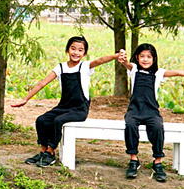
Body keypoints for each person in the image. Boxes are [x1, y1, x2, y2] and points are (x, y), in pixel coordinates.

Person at [10, 36, 126, 167]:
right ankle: (43, 152)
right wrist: (25, 99)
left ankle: (51, 152)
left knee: (58, 121)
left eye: (80, 50)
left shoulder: (85, 66)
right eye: (73, 48)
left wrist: (116, 56)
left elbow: (101, 60)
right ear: (67, 50)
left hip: (79, 109)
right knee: (41, 120)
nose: (76, 52)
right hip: (63, 106)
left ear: (84, 53)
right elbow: (42, 83)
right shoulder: (60, 67)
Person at [122, 42, 184, 182]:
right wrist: (123, 60)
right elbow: (126, 64)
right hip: (134, 110)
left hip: (152, 111)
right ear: (137, 58)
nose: (145, 59)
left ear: (154, 59)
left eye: (149, 57)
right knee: (130, 124)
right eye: (142, 56)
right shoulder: (134, 69)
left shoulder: (158, 73)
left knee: (158, 127)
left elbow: (178, 72)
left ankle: (157, 161)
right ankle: (133, 160)